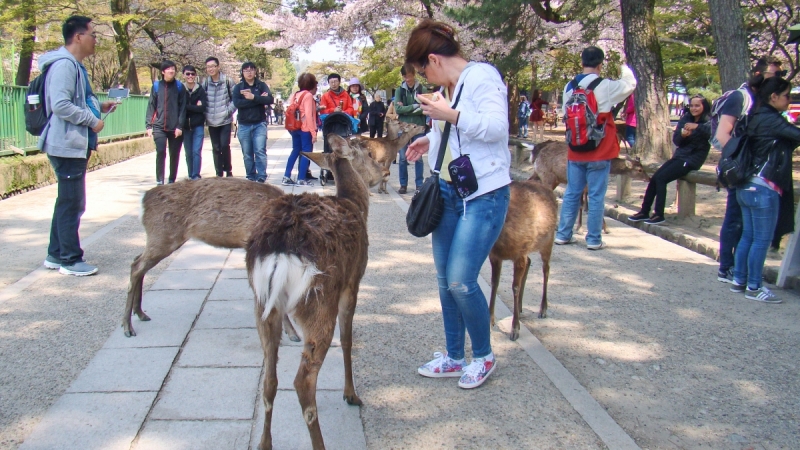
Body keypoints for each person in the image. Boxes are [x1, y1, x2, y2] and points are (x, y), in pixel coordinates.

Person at [404, 20, 511, 389]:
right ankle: (453, 357)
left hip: (484, 195)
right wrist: (428, 140)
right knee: (443, 280)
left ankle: (483, 356)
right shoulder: (448, 87)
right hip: (449, 192)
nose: (424, 77)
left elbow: (498, 128)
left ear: (433, 59)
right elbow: (453, 137)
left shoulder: (482, 77)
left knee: (461, 280)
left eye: (423, 69)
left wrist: (450, 116)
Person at [38, 15, 117, 276]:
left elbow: (74, 101)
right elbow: (60, 105)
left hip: (71, 142)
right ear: (78, 37)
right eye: (93, 34)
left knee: (67, 201)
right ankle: (70, 260)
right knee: (72, 203)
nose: (96, 40)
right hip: (66, 143)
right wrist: (92, 120)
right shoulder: (65, 66)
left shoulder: (75, 66)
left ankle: (55, 253)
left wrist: (99, 107)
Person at [554, 46, 636, 250]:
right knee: (596, 195)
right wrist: (623, 65)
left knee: (572, 192)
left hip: (575, 148)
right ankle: (593, 239)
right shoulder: (605, 86)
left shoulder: (569, 87)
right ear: (600, 64)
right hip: (600, 149)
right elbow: (630, 84)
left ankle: (563, 234)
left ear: (581, 62)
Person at [728, 77, 800, 304]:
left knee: (748, 237)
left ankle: (740, 280)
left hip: (746, 185)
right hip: (764, 186)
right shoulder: (772, 119)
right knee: (761, 239)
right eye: (787, 96)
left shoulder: (755, 116)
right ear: (774, 97)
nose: (789, 100)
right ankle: (755, 286)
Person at [714, 57, 783, 283]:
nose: (778, 80)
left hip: (759, 171)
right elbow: (723, 133)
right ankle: (726, 267)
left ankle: (741, 270)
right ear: (758, 74)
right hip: (741, 168)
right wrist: (739, 161)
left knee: (747, 222)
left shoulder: (764, 100)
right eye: (774, 75)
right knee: (734, 218)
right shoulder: (740, 97)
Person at [628, 95, 711, 225]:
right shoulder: (686, 119)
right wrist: (682, 136)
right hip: (679, 156)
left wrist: (696, 127)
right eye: (692, 105)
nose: (694, 108)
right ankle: (644, 211)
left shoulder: (708, 120)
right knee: (655, 177)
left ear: (704, 106)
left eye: (697, 106)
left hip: (692, 159)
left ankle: (659, 214)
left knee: (662, 179)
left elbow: (712, 133)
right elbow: (677, 140)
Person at [146, 60, 187, 185]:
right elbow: (151, 106)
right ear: (163, 72)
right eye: (169, 69)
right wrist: (148, 125)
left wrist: (180, 126)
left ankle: (171, 180)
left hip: (175, 127)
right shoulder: (157, 86)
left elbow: (183, 107)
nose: (171, 71)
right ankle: (160, 180)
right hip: (159, 126)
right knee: (160, 152)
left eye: (173, 69)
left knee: (174, 154)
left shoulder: (180, 87)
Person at [232, 62, 273, 183]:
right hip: (244, 124)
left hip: (259, 123)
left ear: (255, 71)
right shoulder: (238, 87)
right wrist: (258, 99)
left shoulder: (261, 85)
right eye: (246, 70)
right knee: (247, 153)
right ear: (242, 72)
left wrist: (253, 97)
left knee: (260, 150)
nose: (249, 72)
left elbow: (269, 99)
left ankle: (261, 176)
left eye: (251, 70)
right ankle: (250, 175)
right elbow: (237, 103)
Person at [394, 65, 428, 194]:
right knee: (402, 157)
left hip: (418, 127)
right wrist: (414, 106)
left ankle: (419, 184)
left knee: (418, 157)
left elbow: (424, 108)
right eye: (405, 76)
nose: (408, 79)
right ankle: (403, 184)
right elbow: (398, 109)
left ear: (414, 74)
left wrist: (406, 109)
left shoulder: (422, 89)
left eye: (409, 75)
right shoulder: (399, 91)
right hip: (403, 127)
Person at [282, 73, 318, 187]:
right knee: (306, 153)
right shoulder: (308, 96)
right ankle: (301, 178)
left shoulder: (295, 94)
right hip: (305, 128)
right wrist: (313, 132)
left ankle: (286, 176)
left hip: (295, 127)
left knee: (295, 150)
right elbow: (308, 114)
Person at [203, 57, 236, 177]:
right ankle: (218, 172)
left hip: (225, 120)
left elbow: (235, 99)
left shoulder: (227, 81)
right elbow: (202, 100)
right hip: (211, 121)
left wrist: (228, 111)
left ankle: (228, 170)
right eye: (208, 67)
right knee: (216, 148)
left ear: (218, 67)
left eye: (213, 66)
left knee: (224, 145)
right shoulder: (206, 83)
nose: (211, 69)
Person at [181, 64, 207, 180]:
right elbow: (179, 107)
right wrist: (194, 107)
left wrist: (187, 107)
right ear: (184, 75)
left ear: (195, 75)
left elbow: (203, 108)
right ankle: (191, 174)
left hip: (198, 125)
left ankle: (196, 175)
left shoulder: (200, 89)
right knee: (188, 153)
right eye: (188, 74)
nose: (190, 76)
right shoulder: (180, 90)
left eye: (192, 74)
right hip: (185, 126)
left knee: (196, 151)